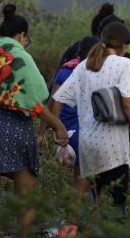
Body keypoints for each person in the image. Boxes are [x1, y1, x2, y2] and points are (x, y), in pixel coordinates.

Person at [0, 5, 69, 232]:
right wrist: (58, 126)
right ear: (21, 36)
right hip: (17, 130)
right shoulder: (21, 58)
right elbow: (35, 103)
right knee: (25, 201)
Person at [51, 21, 130, 214]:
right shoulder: (124, 64)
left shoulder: (84, 66)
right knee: (116, 206)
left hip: (87, 145)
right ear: (123, 46)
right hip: (113, 147)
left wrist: (58, 128)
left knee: (94, 202)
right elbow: (128, 103)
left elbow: (57, 98)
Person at [50, 36, 99, 194]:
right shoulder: (93, 73)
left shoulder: (65, 71)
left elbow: (53, 100)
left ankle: (75, 214)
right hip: (85, 131)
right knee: (85, 179)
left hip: (66, 129)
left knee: (79, 176)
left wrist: (53, 128)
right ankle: (78, 214)